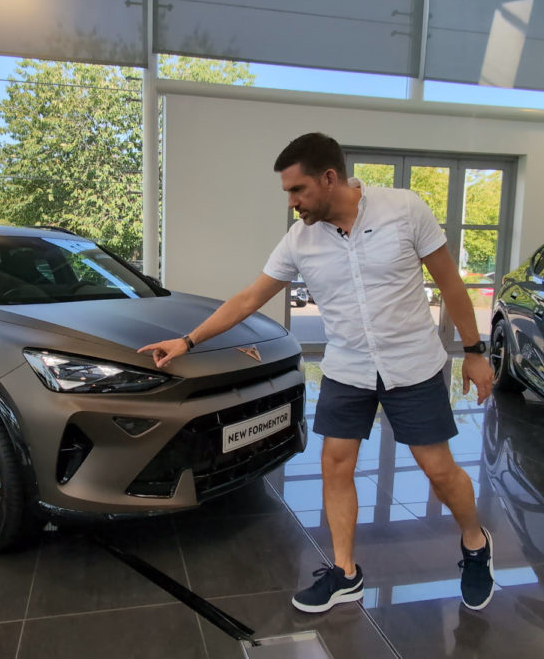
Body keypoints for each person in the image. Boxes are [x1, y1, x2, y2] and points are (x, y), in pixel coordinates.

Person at [138, 132, 496, 612]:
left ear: (330, 178)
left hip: (413, 364)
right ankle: (345, 572)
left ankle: (475, 542)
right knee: (335, 463)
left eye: (297, 190)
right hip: (348, 367)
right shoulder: (299, 241)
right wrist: (186, 342)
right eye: (288, 193)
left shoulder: (405, 209)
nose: (292, 204)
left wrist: (473, 352)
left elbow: (450, 281)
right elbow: (249, 298)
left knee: (438, 470)